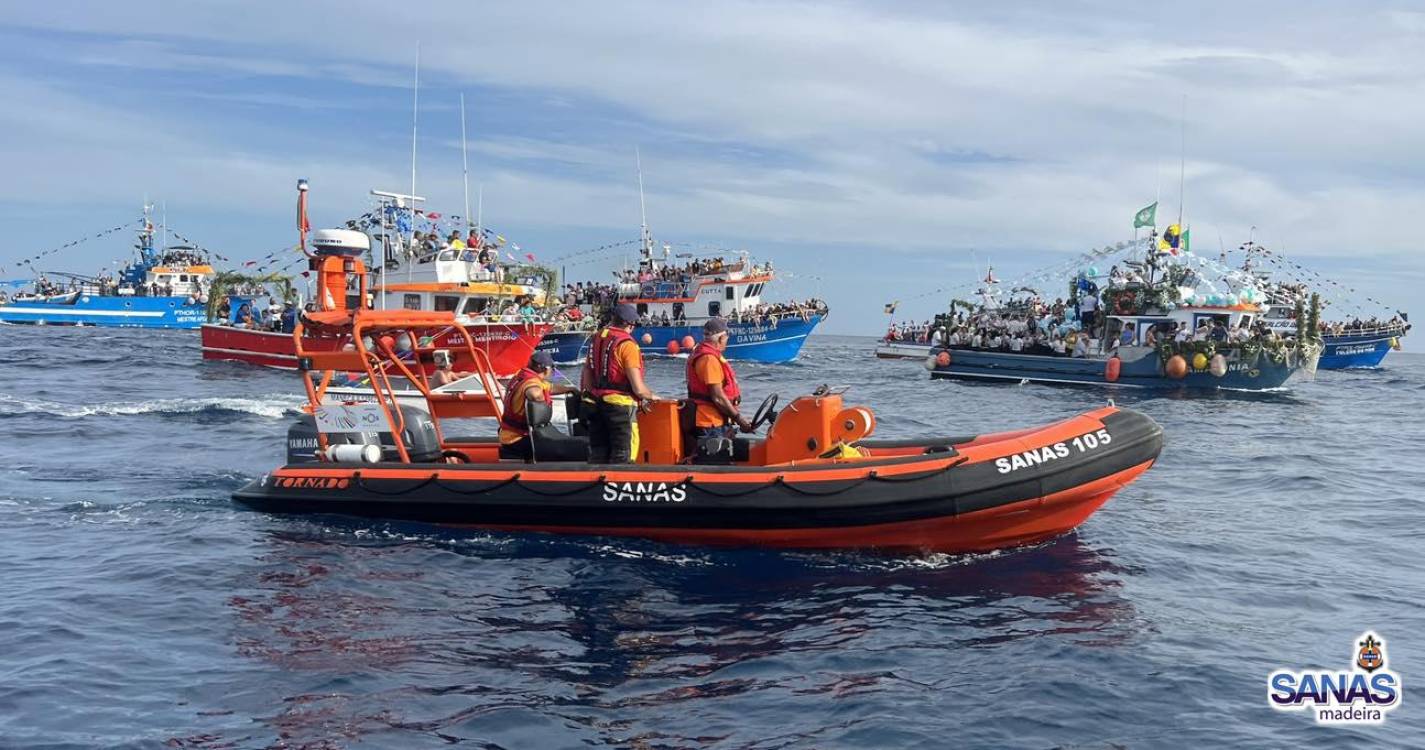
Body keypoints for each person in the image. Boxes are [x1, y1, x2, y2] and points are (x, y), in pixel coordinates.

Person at [582, 303, 658, 463]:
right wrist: (651, 396)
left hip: (595, 404)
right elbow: (638, 388)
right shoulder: (627, 345)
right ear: (627, 324)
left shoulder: (595, 339)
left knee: (599, 454)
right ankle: (620, 484)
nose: (633, 328)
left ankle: (597, 485)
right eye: (633, 325)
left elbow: (587, 373)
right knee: (624, 455)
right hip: (620, 406)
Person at [498, 352, 582, 461]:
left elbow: (550, 387)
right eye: (552, 367)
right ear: (545, 369)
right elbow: (535, 394)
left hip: (509, 434)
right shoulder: (531, 382)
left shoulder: (522, 377)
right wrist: (542, 402)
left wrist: (570, 389)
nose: (552, 370)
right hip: (517, 438)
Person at [686, 317, 753, 440]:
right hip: (710, 423)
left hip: (716, 421)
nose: (727, 341)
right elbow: (717, 397)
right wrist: (739, 418)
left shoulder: (705, 355)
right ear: (721, 338)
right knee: (715, 458)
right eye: (727, 338)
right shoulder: (709, 359)